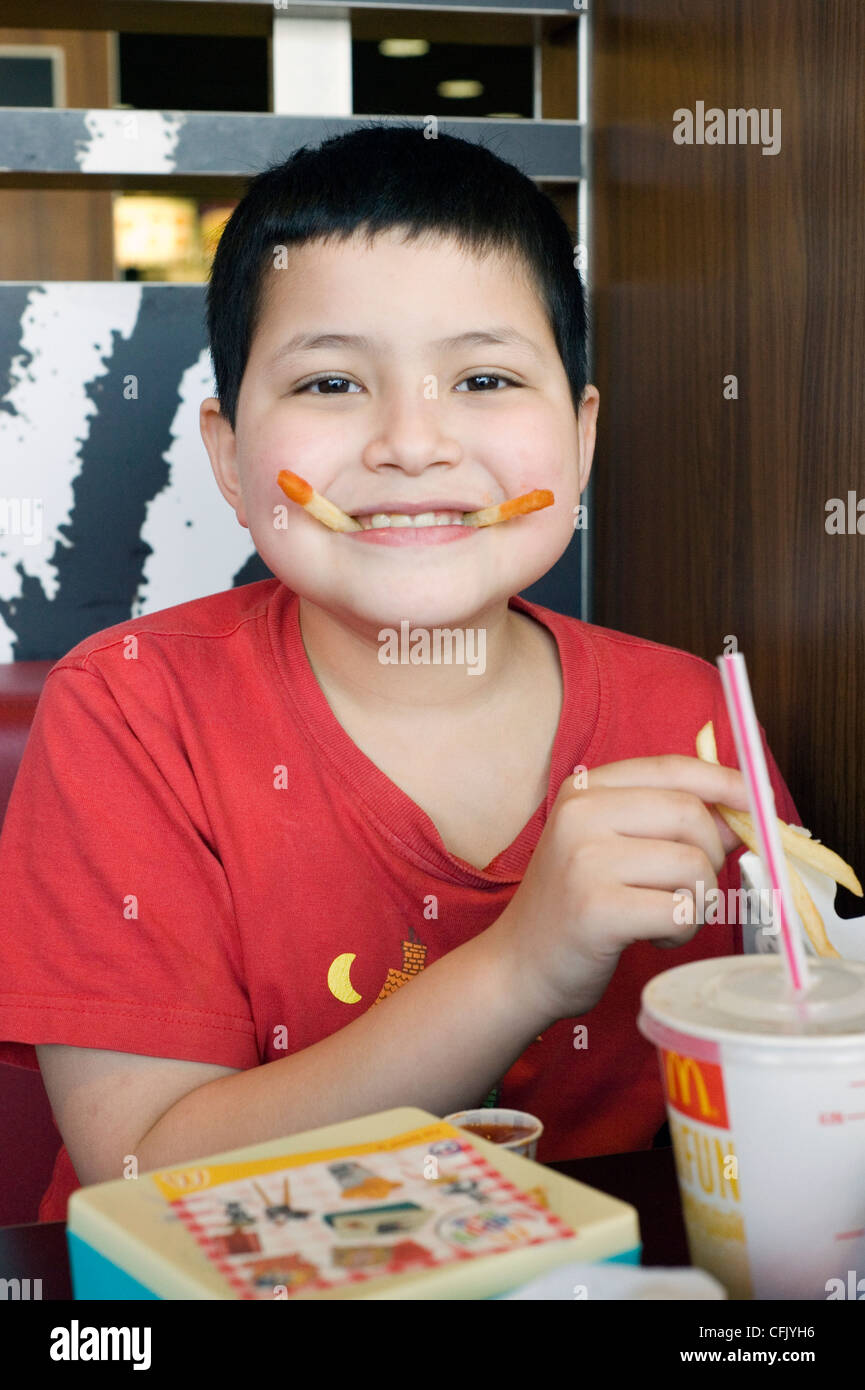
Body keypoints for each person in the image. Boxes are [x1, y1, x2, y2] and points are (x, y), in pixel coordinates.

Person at [0, 123, 798, 1223]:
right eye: (331, 382)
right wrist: (521, 966)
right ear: (229, 459)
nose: (411, 443)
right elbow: (142, 1170)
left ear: (580, 435)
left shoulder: (695, 720)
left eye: (481, 376)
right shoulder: (132, 706)